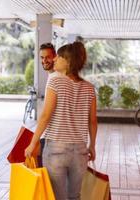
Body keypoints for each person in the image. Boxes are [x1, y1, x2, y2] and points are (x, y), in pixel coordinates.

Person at [25, 42, 97, 200]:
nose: (55, 59)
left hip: (57, 148)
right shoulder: (89, 88)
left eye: (59, 57)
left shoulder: (55, 81)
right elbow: (92, 121)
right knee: (75, 197)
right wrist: (92, 145)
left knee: (56, 197)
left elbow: (45, 116)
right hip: (80, 150)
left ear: (68, 62)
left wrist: (32, 143)